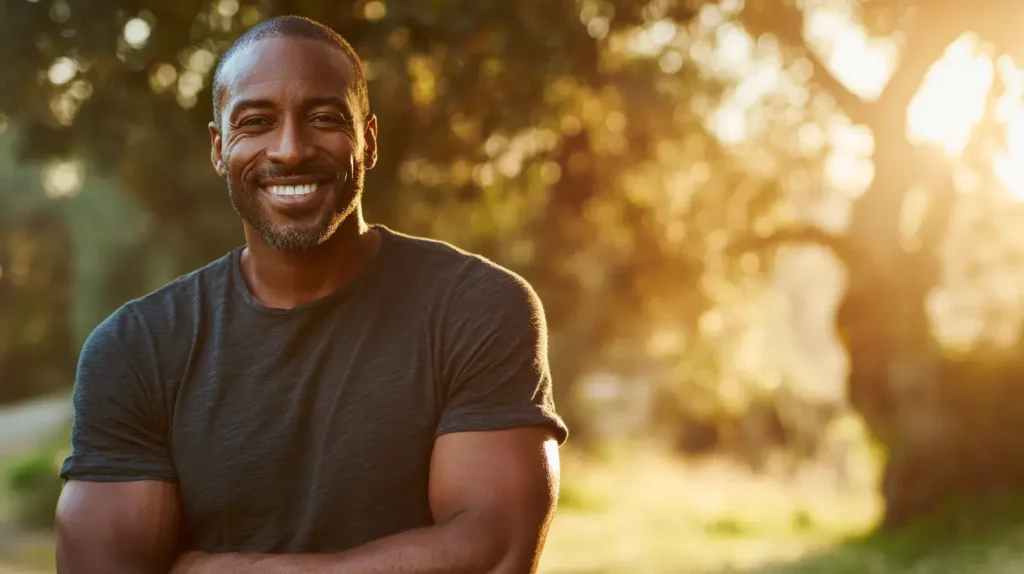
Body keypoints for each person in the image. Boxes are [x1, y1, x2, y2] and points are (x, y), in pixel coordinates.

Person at [54, 15, 567, 574]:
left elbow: (494, 553)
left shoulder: (476, 308)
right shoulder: (136, 349)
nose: (290, 150)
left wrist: (235, 571)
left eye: (323, 118)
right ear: (219, 148)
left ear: (368, 141)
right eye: (256, 122)